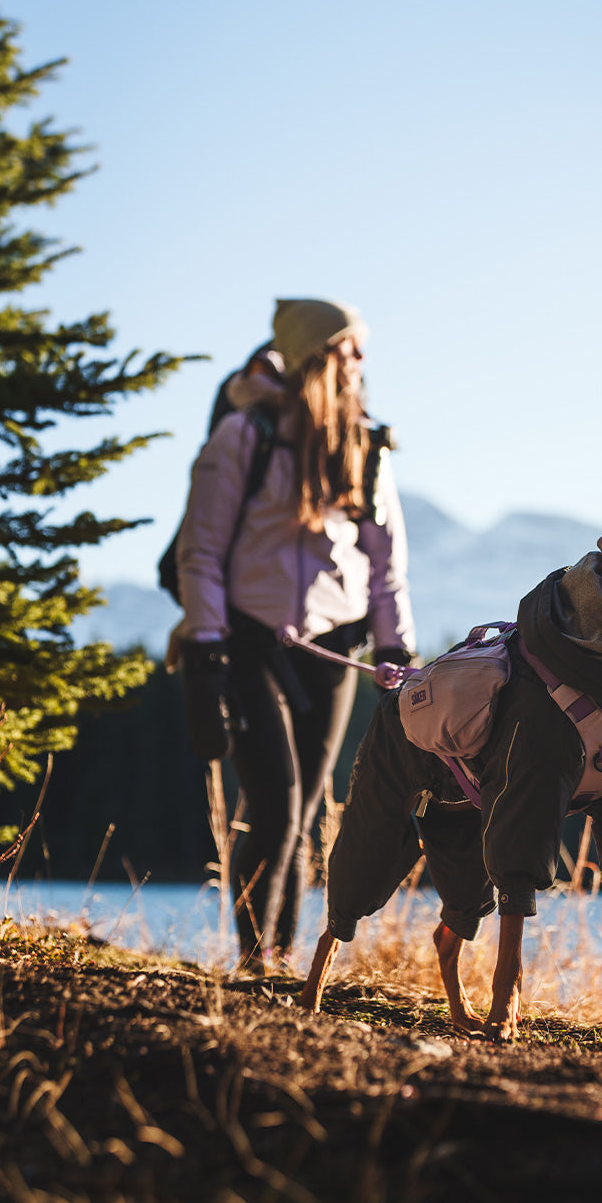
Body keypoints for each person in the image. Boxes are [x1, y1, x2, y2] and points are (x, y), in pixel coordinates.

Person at [173, 298, 416, 971]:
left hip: (335, 647)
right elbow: (202, 551)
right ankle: (258, 959)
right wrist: (206, 652)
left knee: (308, 811)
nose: (361, 362)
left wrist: (396, 652)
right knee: (277, 808)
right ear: (315, 355)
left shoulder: (367, 446)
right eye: (349, 347)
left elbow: (387, 562)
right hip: (248, 642)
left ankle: (277, 956)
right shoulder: (243, 439)